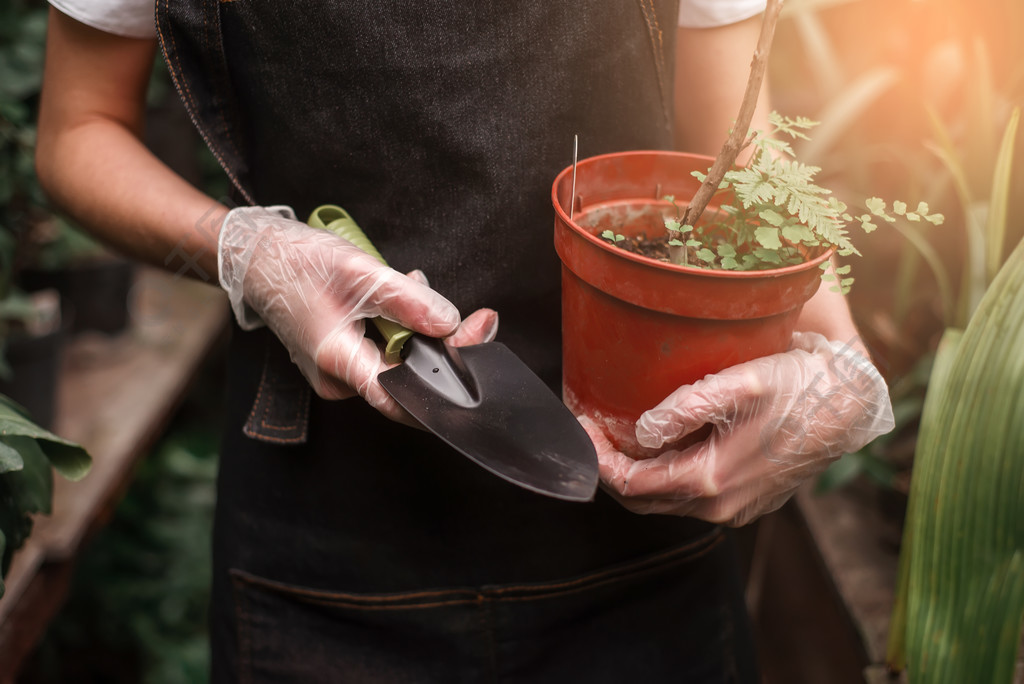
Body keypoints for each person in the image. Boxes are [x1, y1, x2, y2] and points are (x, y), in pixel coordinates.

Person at [36, 1, 893, 681]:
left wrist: (839, 362)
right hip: (324, 549)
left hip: (640, 538)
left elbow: (737, 157)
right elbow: (78, 133)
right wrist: (251, 253)